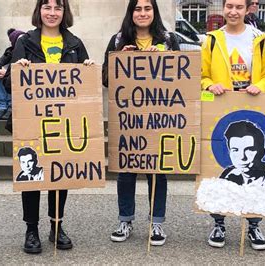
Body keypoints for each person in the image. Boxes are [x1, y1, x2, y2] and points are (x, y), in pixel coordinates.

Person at [2, 0, 94, 254]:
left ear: (65, 13)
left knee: (59, 174)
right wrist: (16, 71)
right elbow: (10, 85)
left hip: (63, 123)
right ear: (39, 11)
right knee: (31, 176)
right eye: (47, 7)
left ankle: (56, 226)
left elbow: (85, 88)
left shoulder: (75, 44)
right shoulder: (24, 42)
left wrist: (87, 69)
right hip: (31, 122)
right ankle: (31, 229)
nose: (52, 13)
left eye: (57, 8)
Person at [101, 0, 179, 247]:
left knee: (158, 172)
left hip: (160, 117)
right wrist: (119, 62)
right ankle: (125, 220)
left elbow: (183, 74)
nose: (142, 13)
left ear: (154, 12)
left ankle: (157, 223)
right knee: (126, 171)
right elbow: (105, 78)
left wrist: (165, 57)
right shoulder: (117, 40)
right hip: (128, 119)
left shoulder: (168, 40)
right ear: (130, 12)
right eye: (137, 8)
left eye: (147, 8)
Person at [200, 0, 265, 251]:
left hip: (253, 106)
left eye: (239, 7)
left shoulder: (260, 39)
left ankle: (254, 224)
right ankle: (219, 222)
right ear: (223, 8)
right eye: (229, 6)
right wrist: (210, 85)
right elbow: (202, 75)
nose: (233, 11)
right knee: (219, 165)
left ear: (247, 10)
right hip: (221, 106)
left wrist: (261, 86)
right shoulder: (211, 40)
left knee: (252, 166)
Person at [219, 120, 265, 186]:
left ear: (262, 152)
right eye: (235, 150)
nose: (242, 157)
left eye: (249, 149)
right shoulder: (227, 176)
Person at [0, 28, 25, 120]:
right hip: (10, 76)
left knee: (11, 77)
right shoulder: (10, 52)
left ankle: (11, 107)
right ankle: (2, 107)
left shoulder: (31, 50)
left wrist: (6, 72)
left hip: (23, 80)